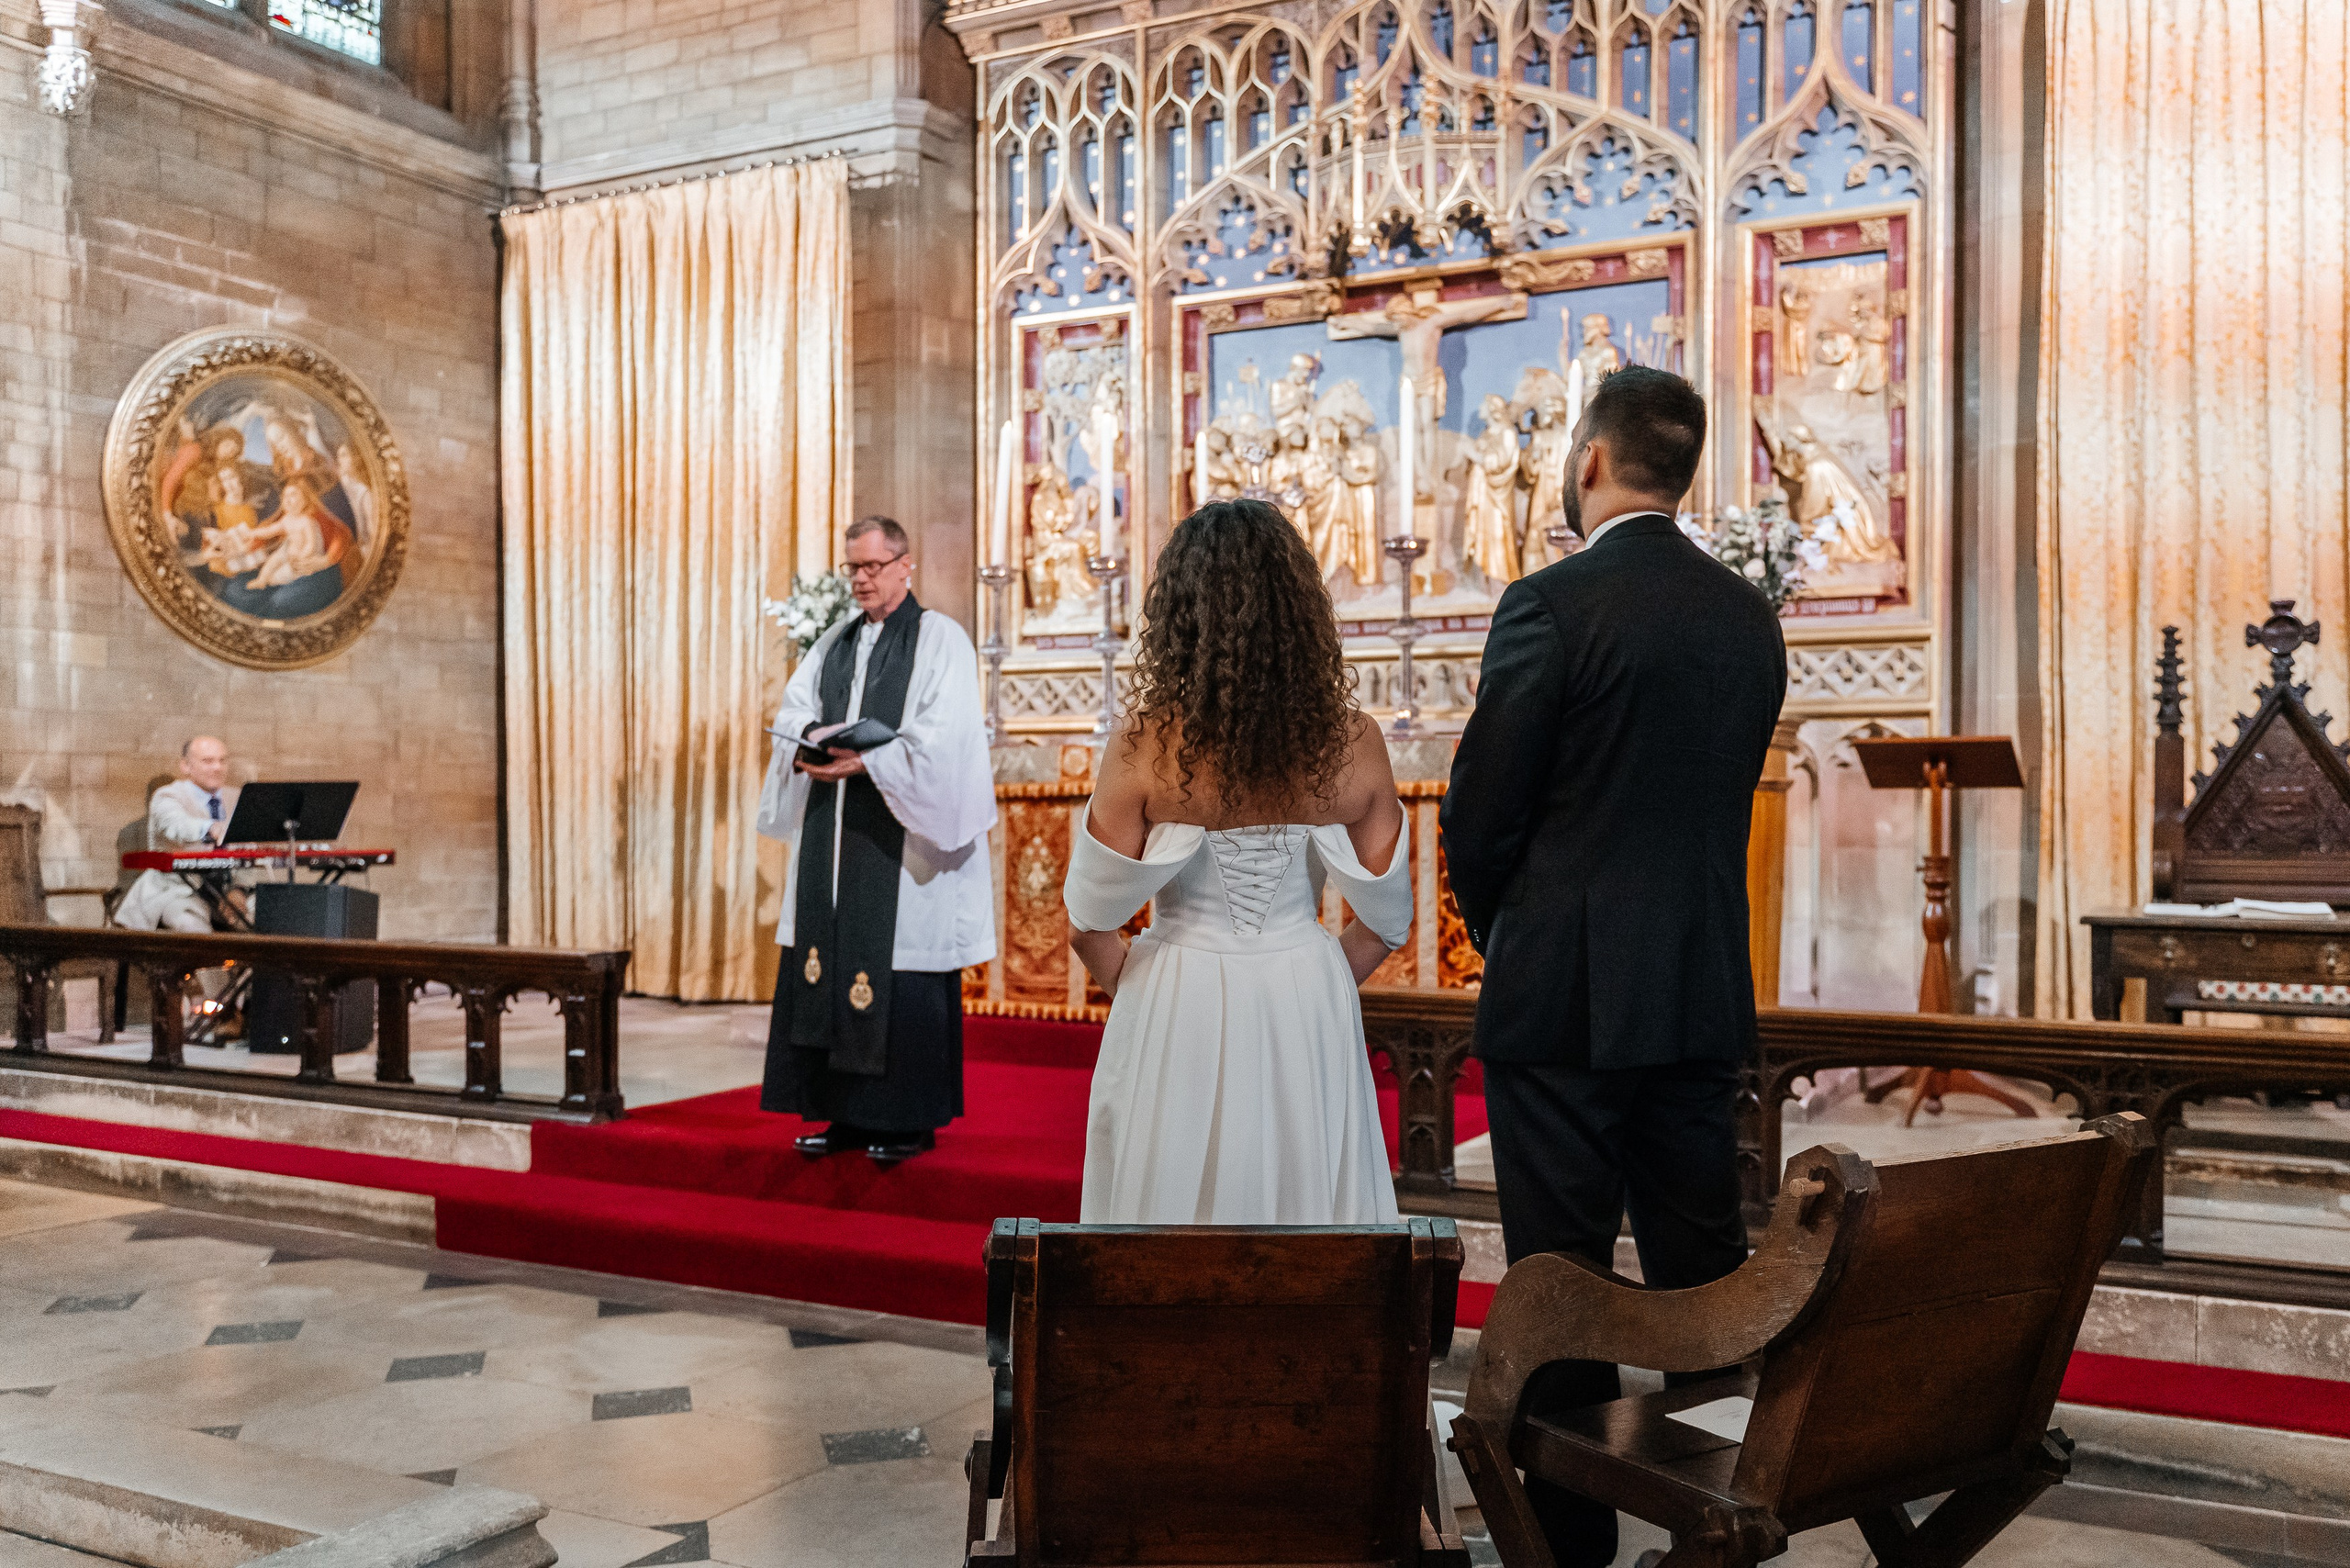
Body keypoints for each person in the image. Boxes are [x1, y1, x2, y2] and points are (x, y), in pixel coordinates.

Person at [1439, 366, 1787, 1568]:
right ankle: (1716, 1527)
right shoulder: (1747, 617)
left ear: (1588, 461)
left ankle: (1567, 1547)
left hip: (1564, 1007)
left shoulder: (1550, 605)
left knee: (1559, 1285)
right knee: (1705, 1281)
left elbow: (1480, 815)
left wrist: (1519, 937)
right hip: (1697, 991)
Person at [1062, 498, 1412, 1224]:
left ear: (1177, 616)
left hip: (1176, 991)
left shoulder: (1144, 746)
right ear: (1301, 612)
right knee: (1307, 1206)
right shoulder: (1353, 742)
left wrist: (1142, 985)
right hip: (1306, 990)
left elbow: (1087, 922)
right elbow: (1386, 921)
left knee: (1170, 1212)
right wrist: (1312, 972)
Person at [756, 516, 997, 1166]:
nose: (861, 579)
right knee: (832, 960)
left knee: (897, 966)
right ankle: (843, 1117)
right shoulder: (834, 640)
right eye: (853, 568)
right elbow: (794, 708)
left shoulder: (940, 639)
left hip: (903, 848)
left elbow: (945, 736)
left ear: (904, 565)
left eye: (872, 567)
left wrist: (868, 761)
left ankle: (904, 1120)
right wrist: (811, 736)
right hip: (835, 839)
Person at [113, 736, 240, 934]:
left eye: (222, 760)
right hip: (176, 892)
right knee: (190, 925)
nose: (217, 767)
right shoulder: (167, 795)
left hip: (227, 892)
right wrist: (210, 828)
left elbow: (248, 848)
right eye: (208, 761)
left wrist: (239, 890)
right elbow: (177, 826)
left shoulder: (237, 797)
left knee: (273, 917)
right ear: (186, 766)